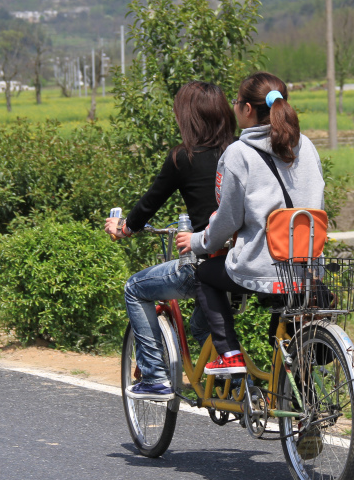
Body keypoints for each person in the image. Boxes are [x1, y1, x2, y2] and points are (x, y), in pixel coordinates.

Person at [177, 72, 324, 376]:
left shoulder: (239, 153)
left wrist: (196, 241)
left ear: (246, 109)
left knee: (205, 274)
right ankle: (293, 398)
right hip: (306, 266)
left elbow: (228, 219)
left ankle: (230, 355)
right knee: (284, 312)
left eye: (236, 101)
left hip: (262, 265)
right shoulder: (306, 146)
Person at [105, 80, 235, 400]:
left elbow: (150, 203)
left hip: (203, 262)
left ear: (188, 117)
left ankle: (154, 376)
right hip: (241, 263)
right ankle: (222, 382)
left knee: (134, 288)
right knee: (200, 326)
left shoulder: (183, 157)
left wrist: (124, 228)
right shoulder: (239, 152)